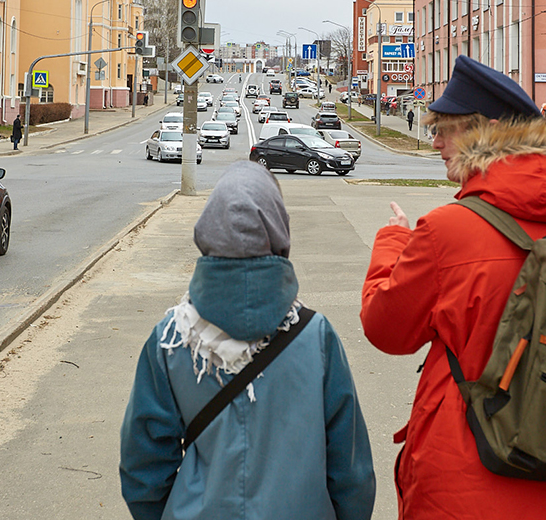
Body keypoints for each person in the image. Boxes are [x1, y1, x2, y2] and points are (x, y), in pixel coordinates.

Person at [360, 56, 546, 519]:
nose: (435, 141)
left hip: (460, 483)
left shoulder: (446, 230)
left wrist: (392, 241)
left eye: (446, 128)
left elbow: (386, 330)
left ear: (489, 131)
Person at [120, 161, 375, 520]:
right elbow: (351, 472)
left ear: (207, 231)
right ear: (279, 232)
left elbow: (142, 469)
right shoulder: (317, 337)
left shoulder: (170, 339)